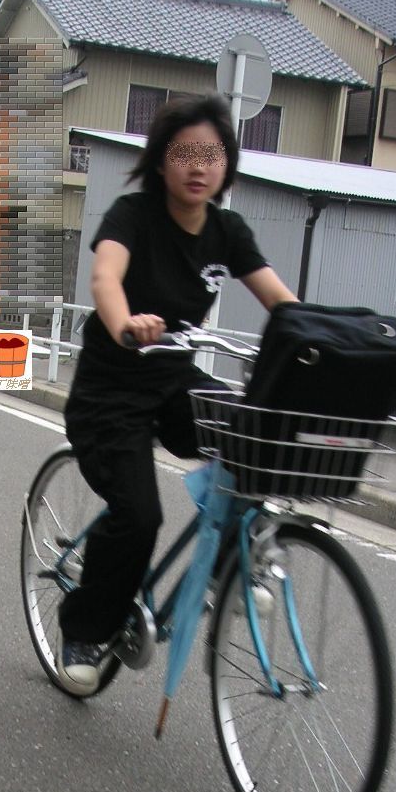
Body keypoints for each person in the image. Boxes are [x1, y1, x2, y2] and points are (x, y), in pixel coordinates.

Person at [56, 93, 298, 696]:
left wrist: (326, 340)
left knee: (255, 433)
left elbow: (282, 303)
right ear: (161, 161)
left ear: (227, 165)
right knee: (140, 516)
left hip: (174, 383)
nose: (198, 166)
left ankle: (234, 566)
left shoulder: (227, 231)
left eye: (211, 155)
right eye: (184, 153)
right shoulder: (132, 215)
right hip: (110, 390)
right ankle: (85, 630)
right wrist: (125, 322)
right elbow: (106, 277)